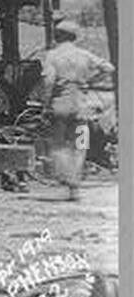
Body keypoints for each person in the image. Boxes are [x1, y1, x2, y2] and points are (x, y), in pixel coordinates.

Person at [40, 19, 114, 202]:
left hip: (60, 107)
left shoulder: (52, 56)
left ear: (57, 36)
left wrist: (45, 103)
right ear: (75, 37)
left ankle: (68, 178)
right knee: (81, 145)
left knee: (58, 144)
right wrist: (90, 80)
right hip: (83, 107)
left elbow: (48, 82)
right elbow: (109, 68)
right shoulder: (84, 55)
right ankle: (75, 184)